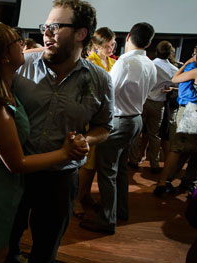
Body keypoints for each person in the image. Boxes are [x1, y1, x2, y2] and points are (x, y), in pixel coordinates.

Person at [0, 23, 79, 263]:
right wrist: (65, 153)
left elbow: (32, 51)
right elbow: (17, 163)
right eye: (16, 41)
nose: (23, 44)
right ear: (2, 57)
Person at [0, 0, 113, 263]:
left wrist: (87, 138)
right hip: (14, 173)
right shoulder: (20, 66)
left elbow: (105, 125)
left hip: (61, 178)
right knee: (5, 243)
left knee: (46, 249)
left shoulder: (101, 80)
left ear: (81, 34)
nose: (46, 33)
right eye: (45, 27)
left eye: (55, 27)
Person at [81, 22, 157, 235]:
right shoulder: (150, 64)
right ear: (149, 42)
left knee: (107, 172)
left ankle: (107, 220)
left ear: (129, 37)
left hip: (119, 121)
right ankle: (121, 210)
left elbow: (108, 91)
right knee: (121, 169)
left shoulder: (125, 62)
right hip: (135, 120)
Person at [73, 26, 117, 219]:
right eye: (107, 45)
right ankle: (75, 198)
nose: (111, 48)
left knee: (96, 162)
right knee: (87, 162)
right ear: (96, 46)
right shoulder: (90, 63)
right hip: (91, 118)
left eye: (113, 44)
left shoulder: (112, 62)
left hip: (105, 115)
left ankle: (85, 194)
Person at [153, 41, 197, 196]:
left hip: (192, 113)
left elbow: (175, 78)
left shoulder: (196, 70)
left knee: (177, 149)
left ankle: (163, 182)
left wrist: (186, 63)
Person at [129, 39, 178, 173]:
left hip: (144, 101)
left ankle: (133, 160)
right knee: (155, 136)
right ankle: (154, 164)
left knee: (138, 133)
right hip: (159, 105)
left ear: (156, 51)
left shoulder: (149, 65)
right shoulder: (174, 69)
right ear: (170, 54)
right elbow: (178, 85)